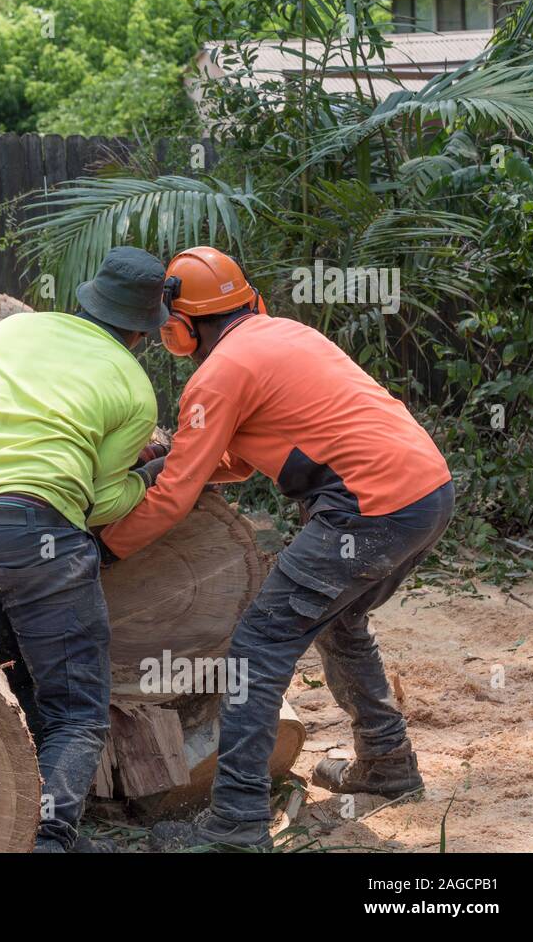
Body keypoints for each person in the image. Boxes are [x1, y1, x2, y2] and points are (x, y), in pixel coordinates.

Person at [101, 246, 454, 849]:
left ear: (180, 327)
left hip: (366, 508)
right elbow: (236, 459)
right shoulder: (284, 334)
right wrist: (172, 458)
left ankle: (235, 823)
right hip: (426, 493)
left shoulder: (220, 372)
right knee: (340, 622)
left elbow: (175, 497)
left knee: (257, 648)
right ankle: (389, 765)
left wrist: (105, 547)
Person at [0, 246, 170, 852]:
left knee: (7, 686)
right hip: (39, 537)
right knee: (77, 710)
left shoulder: (9, 331)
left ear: (88, 299)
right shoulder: (135, 388)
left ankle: (7, 824)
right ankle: (49, 840)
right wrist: (152, 474)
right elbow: (101, 503)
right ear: (144, 331)